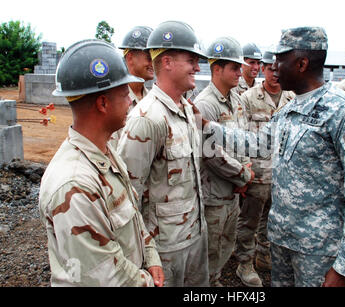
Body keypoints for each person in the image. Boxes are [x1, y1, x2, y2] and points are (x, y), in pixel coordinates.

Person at [199, 27, 345, 287]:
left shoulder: (344, 113)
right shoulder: (289, 110)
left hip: (319, 251)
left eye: (280, 60)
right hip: (282, 242)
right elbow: (258, 144)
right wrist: (206, 126)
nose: (274, 67)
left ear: (301, 63)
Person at [39, 39, 164, 287]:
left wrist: (150, 255)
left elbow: (132, 213)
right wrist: (150, 282)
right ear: (103, 104)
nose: (131, 101)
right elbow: (105, 276)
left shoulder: (104, 152)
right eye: (124, 94)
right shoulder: (74, 185)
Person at [116, 20, 209, 287]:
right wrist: (143, 255)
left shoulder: (188, 110)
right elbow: (127, 195)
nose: (197, 67)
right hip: (165, 247)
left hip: (196, 234)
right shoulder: (146, 119)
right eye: (191, 60)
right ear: (167, 62)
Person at [193, 37, 254, 287]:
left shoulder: (237, 100)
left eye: (240, 67)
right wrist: (243, 175)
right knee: (211, 250)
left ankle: (215, 280)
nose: (240, 72)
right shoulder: (205, 105)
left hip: (234, 192)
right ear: (216, 69)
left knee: (227, 244)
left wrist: (245, 171)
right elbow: (209, 153)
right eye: (234, 67)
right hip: (214, 196)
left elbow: (244, 138)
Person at [234, 51, 295, 287]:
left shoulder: (292, 98)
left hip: (282, 175)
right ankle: (244, 263)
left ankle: (263, 253)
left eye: (279, 69)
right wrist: (243, 173)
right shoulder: (248, 98)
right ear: (264, 70)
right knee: (249, 221)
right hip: (257, 174)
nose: (275, 74)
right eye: (270, 68)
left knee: (272, 220)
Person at [110, 26, 154, 149]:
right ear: (130, 58)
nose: (153, 64)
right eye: (149, 58)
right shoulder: (114, 101)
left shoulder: (151, 98)